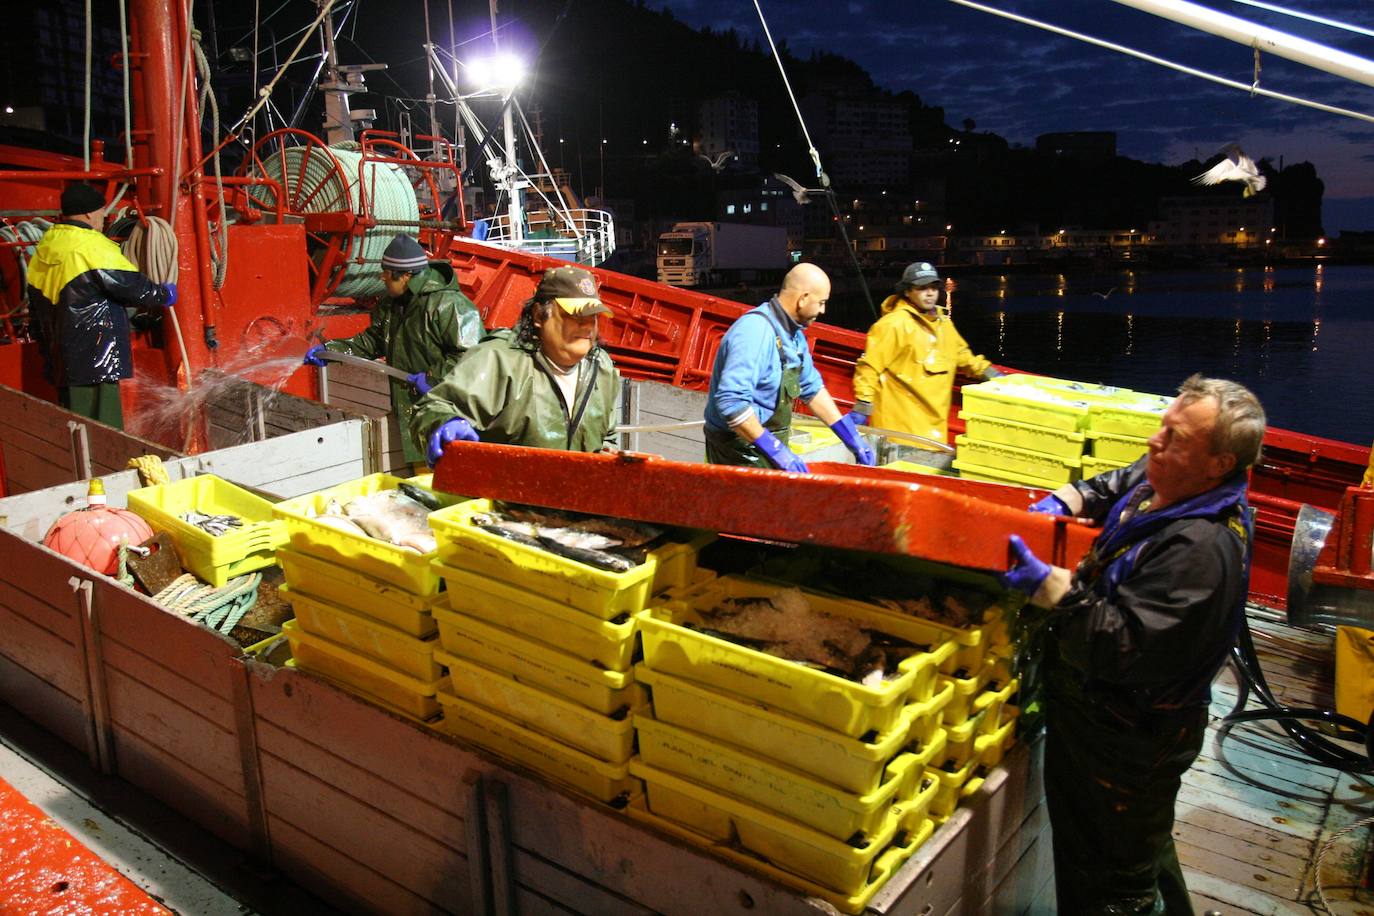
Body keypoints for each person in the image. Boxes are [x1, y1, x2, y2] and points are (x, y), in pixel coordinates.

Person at [999, 375, 1265, 915]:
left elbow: (1120, 649)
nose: (1154, 444)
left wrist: (1053, 588)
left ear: (1219, 464)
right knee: (1144, 849)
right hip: (1105, 721)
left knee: (1106, 879)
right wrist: (1068, 498)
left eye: (1177, 439)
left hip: (1128, 739)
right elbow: (1125, 479)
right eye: (1162, 428)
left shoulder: (1201, 550)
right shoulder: (1173, 478)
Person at [410, 265, 621, 465]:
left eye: (593, 316)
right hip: (504, 501)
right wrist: (444, 423)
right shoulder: (500, 359)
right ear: (539, 315)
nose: (587, 325)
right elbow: (432, 408)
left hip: (579, 500)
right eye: (573, 315)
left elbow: (606, 436)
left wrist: (605, 453)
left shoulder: (600, 365)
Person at [304, 234, 483, 467]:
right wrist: (329, 351)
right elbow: (371, 342)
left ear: (406, 276)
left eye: (387, 273)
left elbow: (476, 359)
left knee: (450, 478)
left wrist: (433, 378)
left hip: (450, 417)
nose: (382, 277)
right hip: (413, 418)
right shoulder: (391, 305)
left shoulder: (450, 305)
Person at [25, 183, 176, 430]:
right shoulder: (91, 245)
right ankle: (108, 470)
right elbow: (130, 286)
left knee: (76, 427)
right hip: (96, 358)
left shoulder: (47, 245)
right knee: (104, 429)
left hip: (62, 358)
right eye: (102, 212)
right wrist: (162, 293)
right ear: (88, 214)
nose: (104, 217)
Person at [703, 263, 875, 472]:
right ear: (803, 298)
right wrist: (777, 452)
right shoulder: (755, 332)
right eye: (820, 302)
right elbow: (732, 403)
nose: (823, 310)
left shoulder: (794, 336)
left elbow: (812, 389)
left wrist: (850, 437)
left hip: (764, 443)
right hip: (738, 450)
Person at [851, 261, 1000, 470]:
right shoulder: (892, 325)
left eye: (933, 288)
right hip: (901, 428)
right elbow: (869, 367)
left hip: (934, 424)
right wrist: (863, 405)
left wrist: (988, 372)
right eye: (921, 288)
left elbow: (960, 353)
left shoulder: (942, 322)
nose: (929, 293)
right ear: (907, 291)